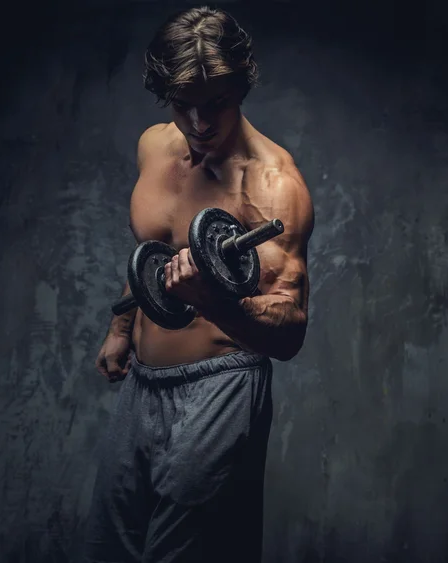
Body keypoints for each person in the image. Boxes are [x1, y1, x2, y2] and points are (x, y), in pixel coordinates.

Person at [84, 6, 314, 562]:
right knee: (109, 548)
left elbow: (289, 333)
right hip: (143, 381)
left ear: (241, 86)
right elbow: (149, 252)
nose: (199, 122)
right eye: (182, 104)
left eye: (216, 103)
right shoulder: (154, 146)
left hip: (222, 386)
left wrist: (217, 304)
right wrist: (121, 326)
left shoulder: (271, 186)